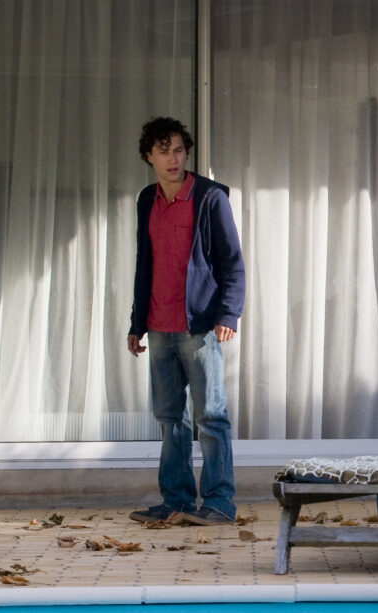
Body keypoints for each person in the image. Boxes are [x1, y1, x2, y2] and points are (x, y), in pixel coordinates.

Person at [126, 117, 245, 526]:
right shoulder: (147, 199)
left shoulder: (210, 197)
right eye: (164, 151)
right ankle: (176, 501)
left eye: (179, 150)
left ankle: (219, 503)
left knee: (210, 416)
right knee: (170, 418)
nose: (173, 158)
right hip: (159, 326)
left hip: (199, 326)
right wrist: (137, 322)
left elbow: (232, 262)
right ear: (149, 157)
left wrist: (228, 313)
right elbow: (145, 263)